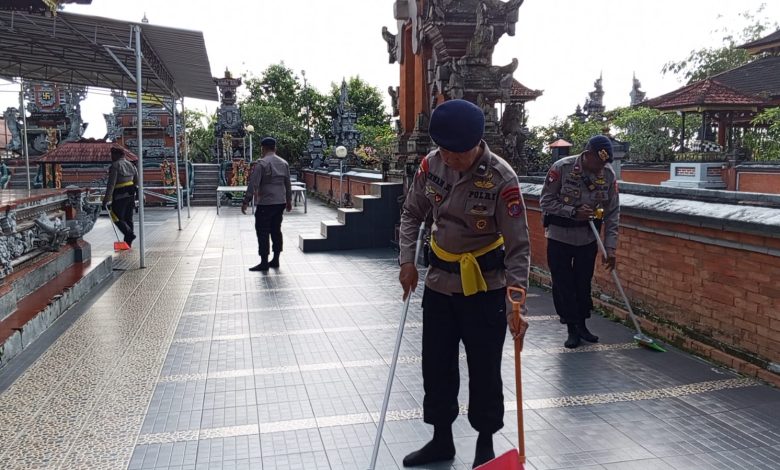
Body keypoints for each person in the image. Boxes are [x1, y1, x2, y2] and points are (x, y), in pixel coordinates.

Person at [398, 99, 530, 468]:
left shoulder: (502, 179)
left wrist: (517, 303)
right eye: (444, 150)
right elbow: (412, 212)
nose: (449, 158)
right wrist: (407, 261)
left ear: (476, 144)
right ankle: (441, 440)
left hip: (485, 290)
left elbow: (519, 246)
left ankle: (485, 446)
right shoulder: (431, 165)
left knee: (485, 369)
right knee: (436, 366)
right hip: (439, 285)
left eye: (457, 152)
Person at [539, 135, 620, 349]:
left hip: (587, 238)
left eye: (604, 163)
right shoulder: (562, 168)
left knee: (583, 282)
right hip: (559, 236)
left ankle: (582, 324)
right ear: (588, 154)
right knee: (563, 283)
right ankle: (571, 328)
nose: (600, 167)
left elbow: (612, 213)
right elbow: (545, 201)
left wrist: (610, 247)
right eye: (598, 162)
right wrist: (573, 211)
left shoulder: (608, 174)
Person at [242, 137, 292, 272]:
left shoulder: (262, 163)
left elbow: (253, 183)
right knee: (276, 230)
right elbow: (288, 184)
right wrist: (289, 200)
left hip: (266, 203)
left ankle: (264, 262)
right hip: (280, 202)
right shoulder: (284, 163)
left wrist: (246, 201)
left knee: (263, 231)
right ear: (275, 148)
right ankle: (276, 260)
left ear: (263, 148)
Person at [103, 146, 139, 246]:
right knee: (128, 218)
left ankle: (130, 234)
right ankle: (128, 242)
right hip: (131, 194)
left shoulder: (115, 165)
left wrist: (106, 199)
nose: (111, 157)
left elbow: (111, 184)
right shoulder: (131, 165)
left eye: (112, 155)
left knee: (116, 216)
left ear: (117, 155)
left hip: (119, 195)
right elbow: (136, 180)